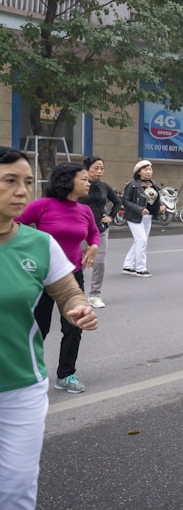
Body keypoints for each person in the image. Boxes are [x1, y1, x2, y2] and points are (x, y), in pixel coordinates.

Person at [0, 147, 97, 510]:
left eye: (27, 182)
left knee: (18, 483)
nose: (22, 191)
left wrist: (80, 308)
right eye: (10, 181)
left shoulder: (39, 245)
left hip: (20, 386)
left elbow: (68, 291)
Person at [17, 162, 100, 394]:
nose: (88, 183)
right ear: (68, 180)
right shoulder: (43, 206)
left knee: (74, 327)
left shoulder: (84, 210)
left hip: (72, 276)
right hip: (40, 278)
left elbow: (94, 232)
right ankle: (23, 373)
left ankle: (66, 374)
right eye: (84, 179)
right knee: (38, 328)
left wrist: (93, 246)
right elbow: (15, 225)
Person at [78, 156, 121, 308]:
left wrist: (111, 217)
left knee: (99, 263)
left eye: (102, 168)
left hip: (101, 230)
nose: (99, 171)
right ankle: (74, 294)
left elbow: (117, 202)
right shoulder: (78, 185)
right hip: (81, 230)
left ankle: (95, 295)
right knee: (79, 263)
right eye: (96, 168)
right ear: (87, 168)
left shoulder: (105, 186)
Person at [121, 160, 165, 277]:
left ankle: (127, 265)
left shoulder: (153, 184)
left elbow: (156, 198)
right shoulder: (133, 185)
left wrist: (160, 206)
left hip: (148, 217)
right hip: (135, 216)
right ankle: (140, 268)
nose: (148, 172)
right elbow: (125, 201)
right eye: (145, 169)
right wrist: (139, 209)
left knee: (139, 241)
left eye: (150, 169)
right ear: (138, 172)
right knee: (142, 240)